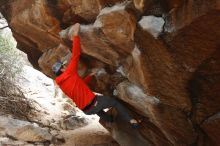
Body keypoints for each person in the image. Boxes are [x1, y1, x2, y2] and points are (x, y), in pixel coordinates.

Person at [52, 23, 139, 128]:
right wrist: (75, 35)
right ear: (62, 69)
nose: (65, 66)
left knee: (97, 109)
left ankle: (110, 120)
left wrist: (90, 76)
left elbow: (80, 85)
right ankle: (132, 121)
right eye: (64, 66)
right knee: (114, 103)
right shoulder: (69, 72)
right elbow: (76, 54)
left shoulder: (62, 84)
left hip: (86, 110)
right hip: (94, 103)